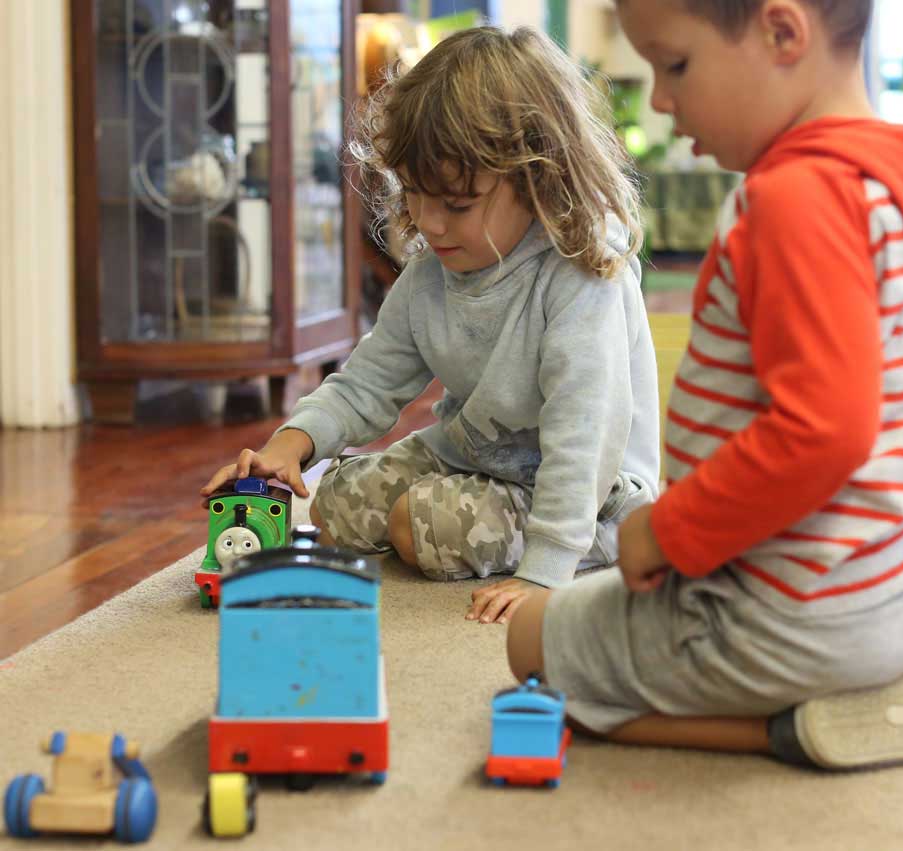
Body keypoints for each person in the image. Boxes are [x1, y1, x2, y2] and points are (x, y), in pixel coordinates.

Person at [506, 0, 903, 770]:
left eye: (676, 64)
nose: (658, 97)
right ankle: (902, 667)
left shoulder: (791, 199)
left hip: (782, 618)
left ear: (783, 34)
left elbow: (826, 429)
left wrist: (666, 529)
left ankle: (807, 727)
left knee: (530, 639)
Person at [201, 26, 660, 626]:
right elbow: (367, 382)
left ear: (538, 176)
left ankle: (595, 548)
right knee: (335, 506)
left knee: (421, 524)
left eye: (459, 204)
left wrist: (546, 568)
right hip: (478, 461)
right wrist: (291, 445)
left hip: (595, 496)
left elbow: (586, 431)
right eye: (416, 194)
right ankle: (462, 518)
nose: (430, 223)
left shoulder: (579, 274)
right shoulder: (430, 274)